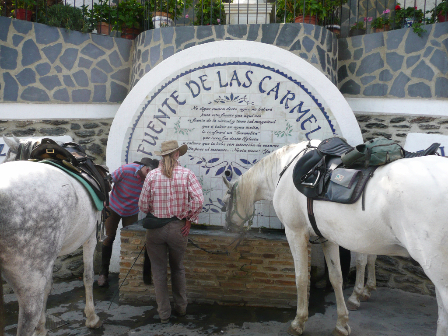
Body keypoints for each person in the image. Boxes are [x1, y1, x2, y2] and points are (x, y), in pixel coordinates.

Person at [139, 140, 204, 323]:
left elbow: (143, 205)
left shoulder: (152, 176)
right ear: (177, 155)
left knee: (158, 272)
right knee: (178, 268)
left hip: (155, 231)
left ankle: (164, 314)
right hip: (178, 228)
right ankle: (181, 308)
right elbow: (199, 200)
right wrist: (189, 219)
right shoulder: (187, 174)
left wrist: (154, 209)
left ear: (162, 155)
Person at [97, 157, 159, 287]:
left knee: (131, 241)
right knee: (108, 238)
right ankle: (103, 273)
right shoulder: (126, 170)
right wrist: (104, 199)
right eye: (151, 174)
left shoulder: (151, 179)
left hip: (131, 211)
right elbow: (108, 181)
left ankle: (128, 275)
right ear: (147, 169)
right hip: (113, 207)